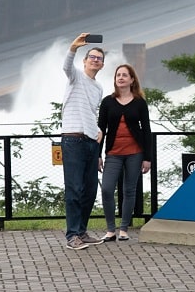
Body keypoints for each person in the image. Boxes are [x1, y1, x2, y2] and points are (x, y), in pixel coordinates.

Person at [60, 33, 106, 250]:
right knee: (74, 189)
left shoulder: (98, 88)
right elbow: (66, 67)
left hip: (90, 142)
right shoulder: (76, 76)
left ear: (102, 64)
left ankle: (81, 231)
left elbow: (91, 112)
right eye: (92, 57)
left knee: (89, 190)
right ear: (85, 61)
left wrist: (98, 132)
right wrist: (73, 47)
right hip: (73, 140)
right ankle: (72, 236)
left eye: (99, 58)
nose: (95, 60)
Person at [97, 63, 153, 242]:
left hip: (135, 153)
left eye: (124, 75)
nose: (120, 78)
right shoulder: (107, 102)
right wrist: (98, 155)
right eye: (118, 75)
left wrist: (148, 158)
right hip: (113, 153)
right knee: (107, 189)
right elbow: (101, 130)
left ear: (132, 80)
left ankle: (123, 229)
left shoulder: (139, 102)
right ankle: (110, 230)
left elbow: (146, 130)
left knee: (129, 190)